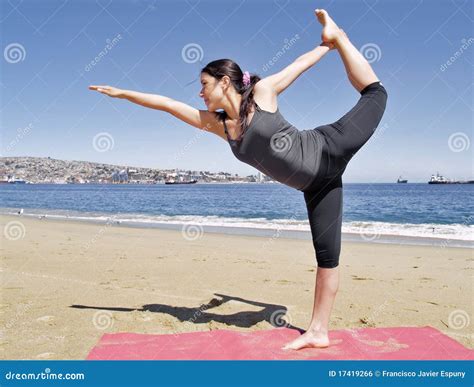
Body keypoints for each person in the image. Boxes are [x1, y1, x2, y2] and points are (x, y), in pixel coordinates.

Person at [89, 9, 387, 350]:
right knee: (327, 257)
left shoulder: (262, 94)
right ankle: (319, 331)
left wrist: (328, 46)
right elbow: (168, 105)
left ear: (224, 81)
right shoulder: (220, 126)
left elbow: (298, 66)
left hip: (328, 148)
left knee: (376, 94)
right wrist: (123, 93)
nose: (199, 93)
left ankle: (341, 36)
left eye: (204, 84)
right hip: (317, 186)